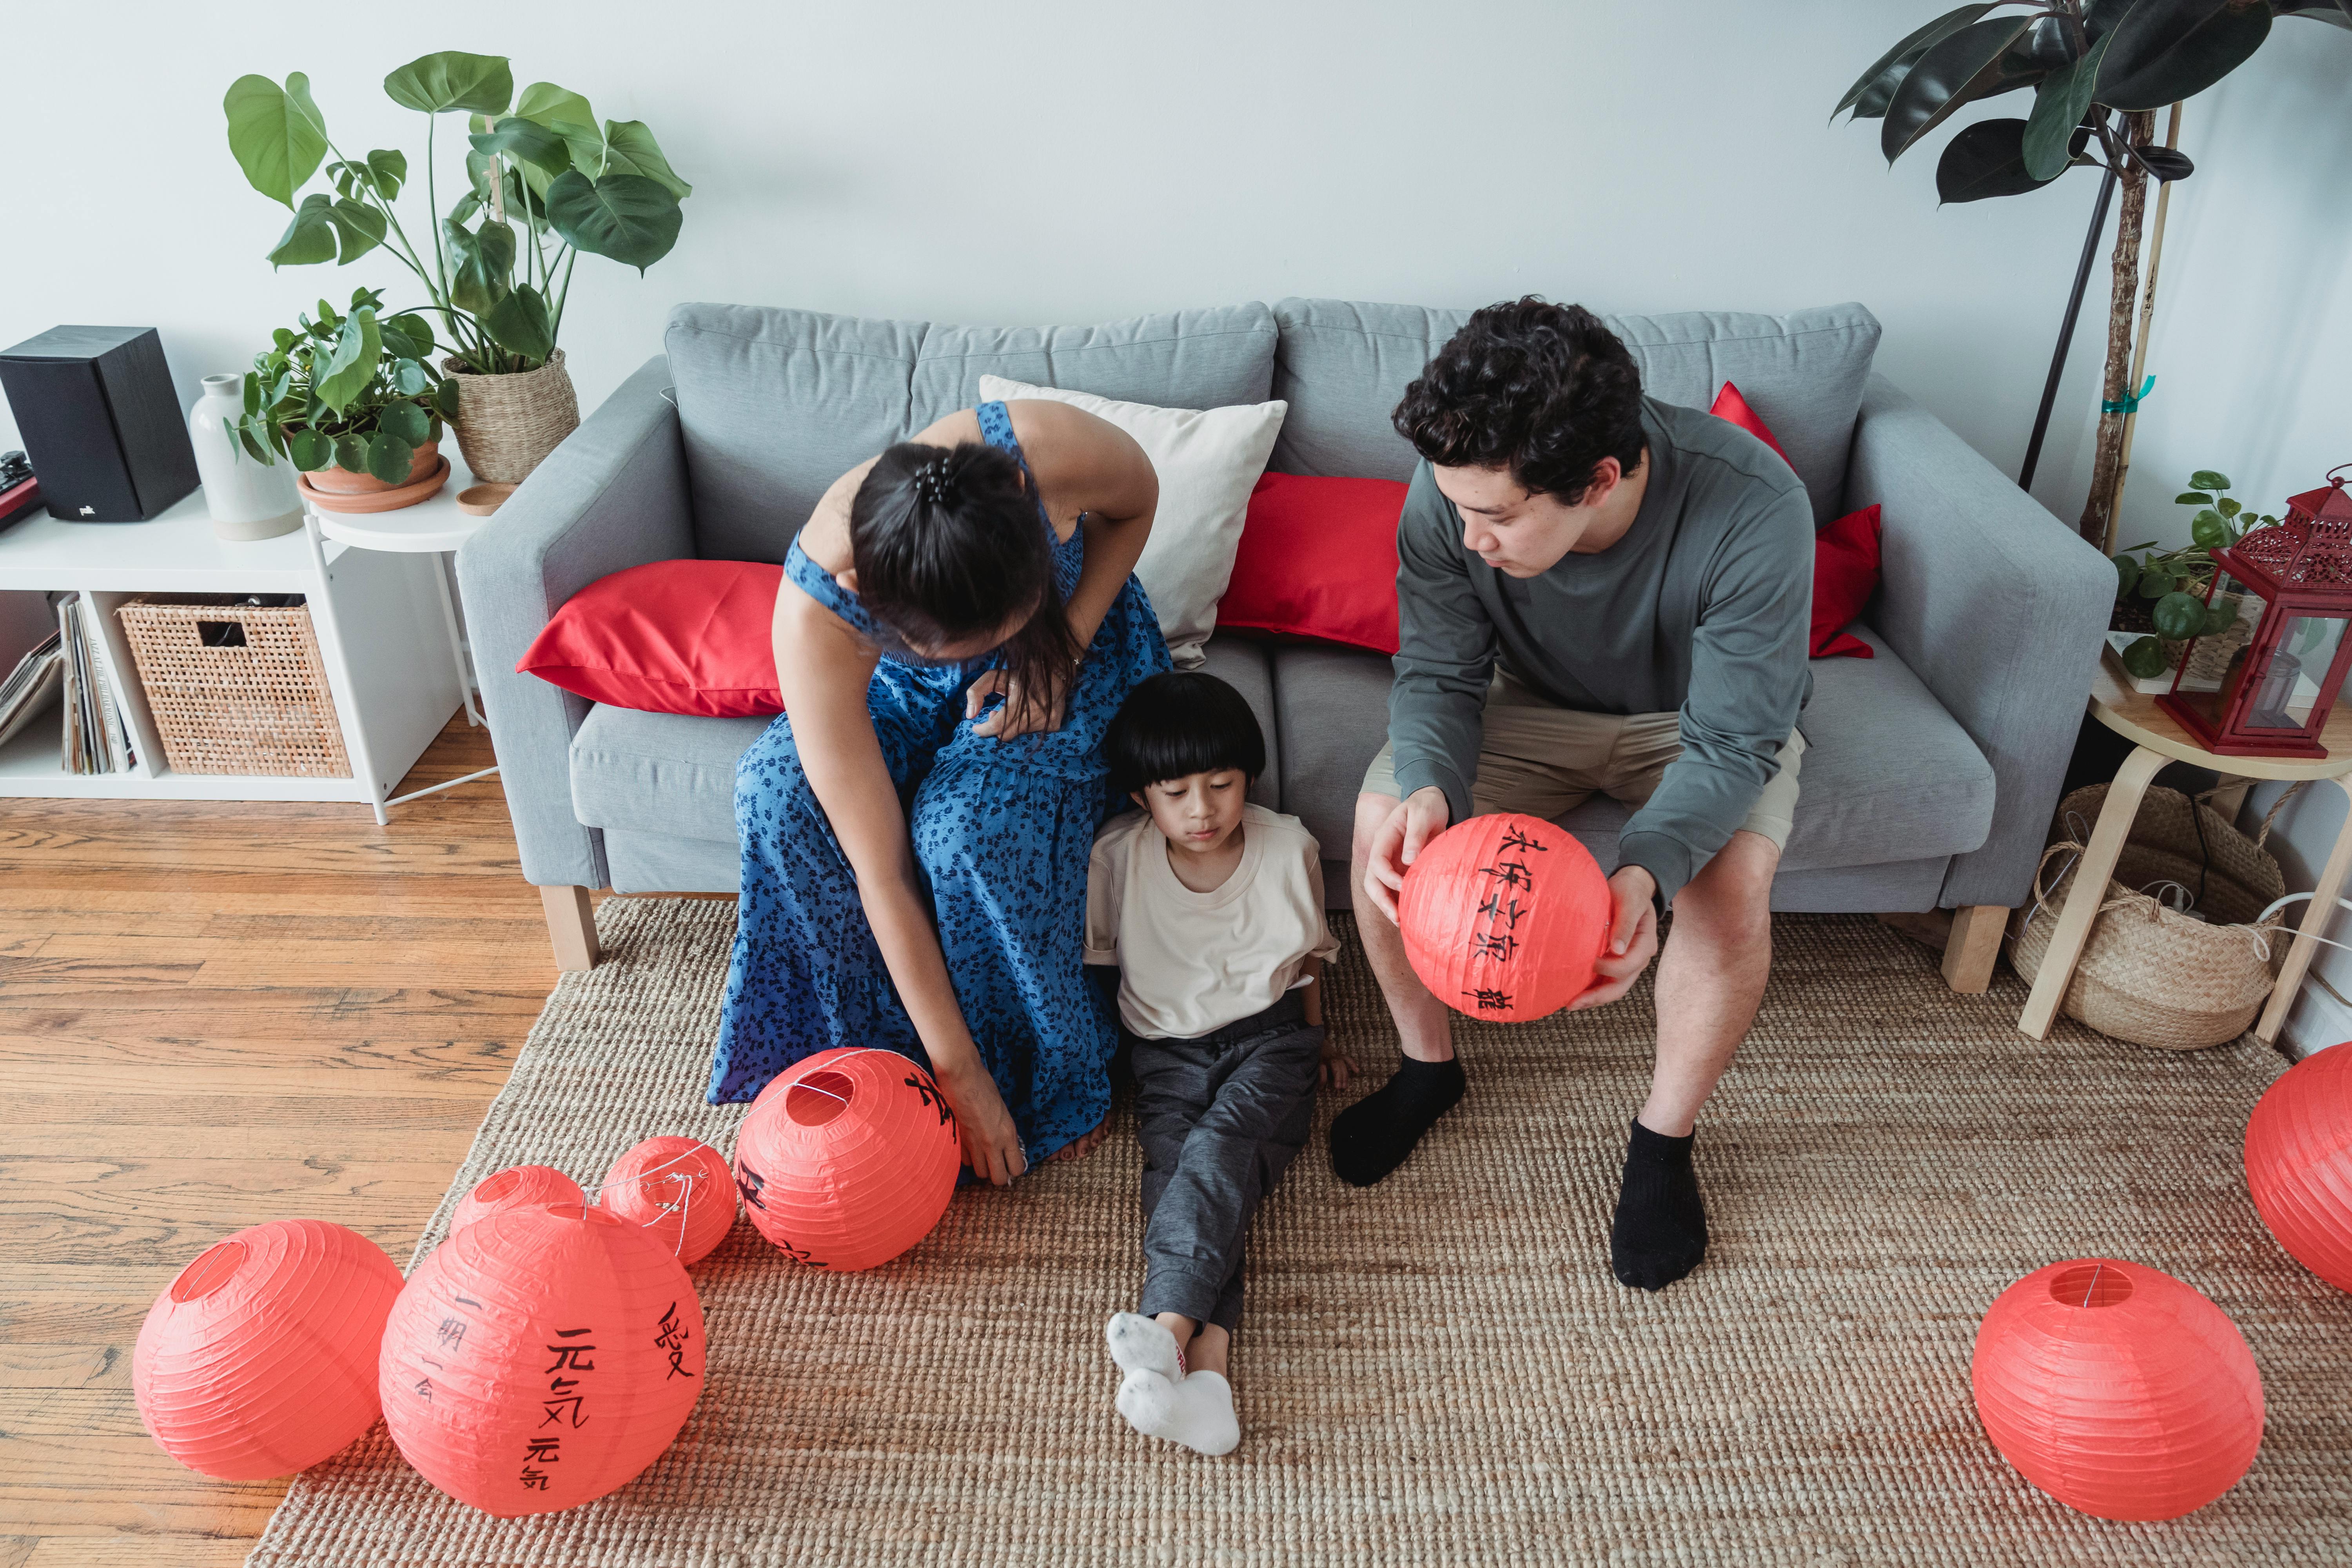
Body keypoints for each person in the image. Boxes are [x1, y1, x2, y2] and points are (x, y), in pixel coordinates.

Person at [1337, 298, 1813, 1293]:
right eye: (1458, 505)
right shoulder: (1453, 490)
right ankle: (1429, 1068)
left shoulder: (1755, 505)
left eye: (1499, 516)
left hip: (1697, 721)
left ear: (1600, 478)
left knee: (1730, 894)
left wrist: (1644, 869)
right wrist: (1429, 785)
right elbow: (1436, 674)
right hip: (1526, 708)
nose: (1470, 537)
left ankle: (1663, 1144)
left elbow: (1734, 740)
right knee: (1382, 825)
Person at [708, 399, 1172, 1186]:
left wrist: (1061, 643)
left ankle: (1055, 1071)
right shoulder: (818, 613)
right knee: (777, 792)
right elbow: (878, 869)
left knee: (965, 828)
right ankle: (887, 1056)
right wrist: (958, 1074)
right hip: (900, 691)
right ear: (881, 613)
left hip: (1071, 653)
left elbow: (1138, 502)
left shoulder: (1045, 450)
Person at [1085, 672, 1346, 1455]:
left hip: (1270, 1041)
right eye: (1176, 791)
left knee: (1216, 1154)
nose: (1202, 808)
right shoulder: (1118, 858)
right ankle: (1209, 1380)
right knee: (1180, 1183)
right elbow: (1101, 969)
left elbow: (1306, 960)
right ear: (1142, 796)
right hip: (1165, 1054)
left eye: (1222, 784)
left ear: (1249, 779)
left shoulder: (1287, 845)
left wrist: (1319, 1038)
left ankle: (1165, 1328)